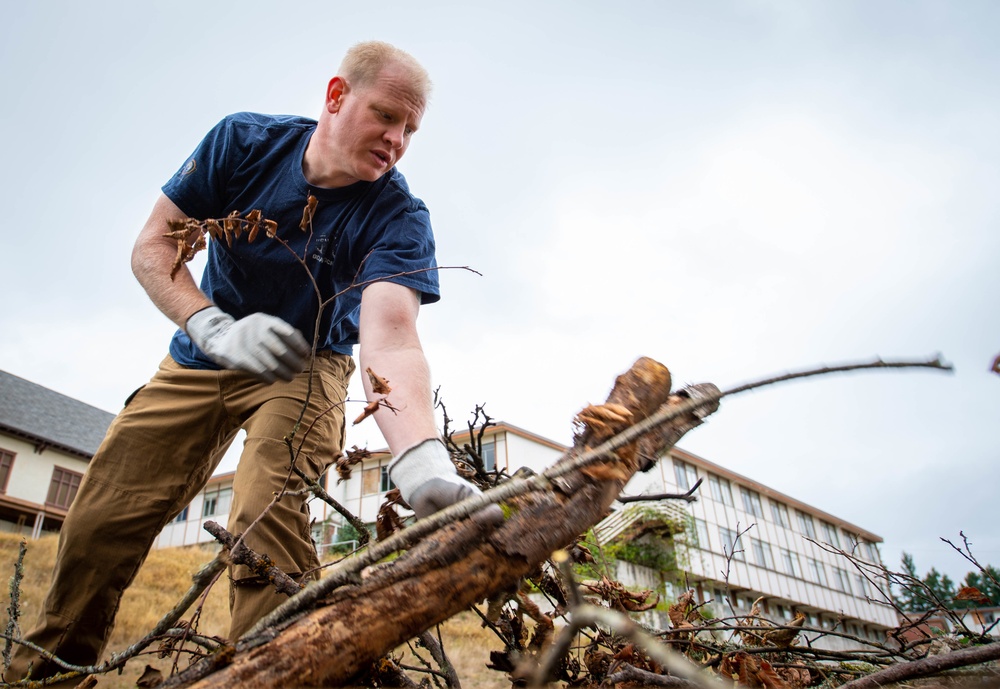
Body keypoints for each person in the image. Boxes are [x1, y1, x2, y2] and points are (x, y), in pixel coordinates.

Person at [7, 41, 483, 684]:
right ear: (337, 97)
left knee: (265, 520)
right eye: (387, 116)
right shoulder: (243, 145)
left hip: (307, 363)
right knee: (98, 519)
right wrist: (209, 325)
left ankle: (268, 676)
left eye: (411, 129)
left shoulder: (397, 215)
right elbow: (153, 246)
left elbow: (391, 338)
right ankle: (42, 676)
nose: (397, 139)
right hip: (204, 353)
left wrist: (421, 461)